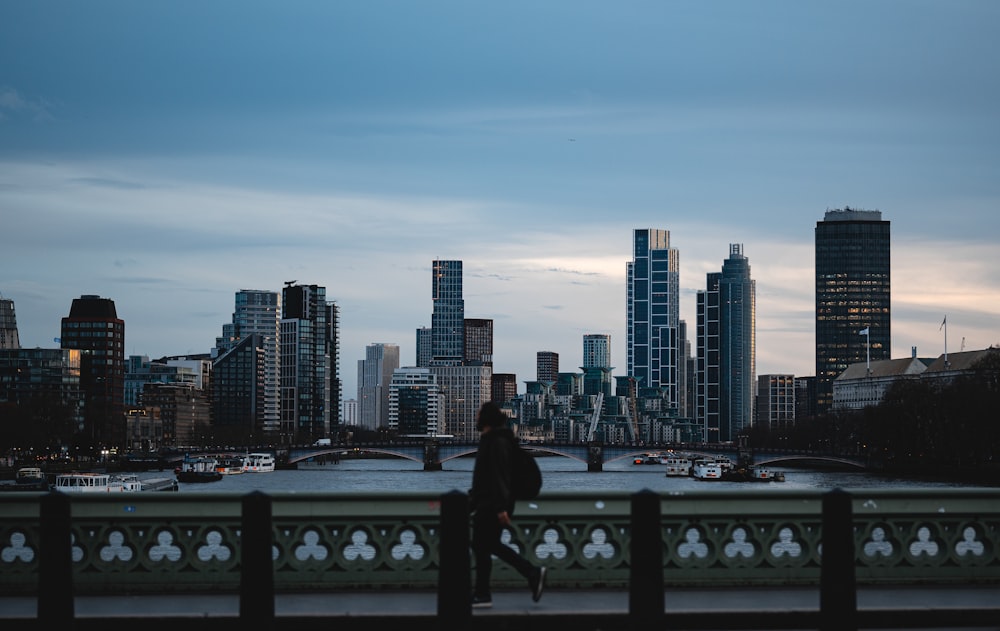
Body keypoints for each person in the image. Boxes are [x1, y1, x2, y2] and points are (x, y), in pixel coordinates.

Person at [468, 400, 546, 609]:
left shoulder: (498, 442)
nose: (475, 417)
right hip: (488, 502)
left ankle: (485, 593)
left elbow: (499, 477)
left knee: (483, 545)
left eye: (478, 414)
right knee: (485, 545)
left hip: (494, 504)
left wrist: (501, 508)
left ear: (486, 419)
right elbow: (485, 477)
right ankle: (485, 592)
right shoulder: (491, 440)